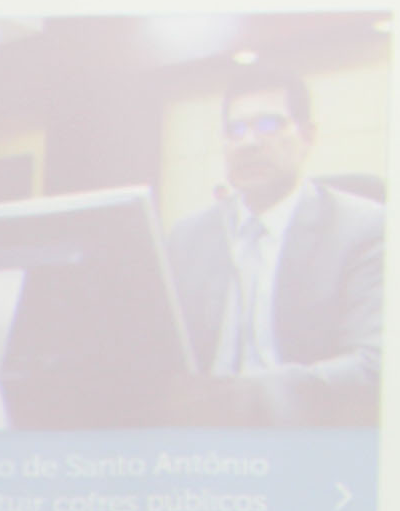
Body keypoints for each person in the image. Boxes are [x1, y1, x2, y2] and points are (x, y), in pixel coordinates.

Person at [162, 67, 382, 425]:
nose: (248, 143)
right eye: (235, 131)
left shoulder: (360, 229)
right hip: (196, 438)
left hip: (303, 433)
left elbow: (372, 365)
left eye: (268, 125)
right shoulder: (188, 237)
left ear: (307, 136)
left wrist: (244, 396)